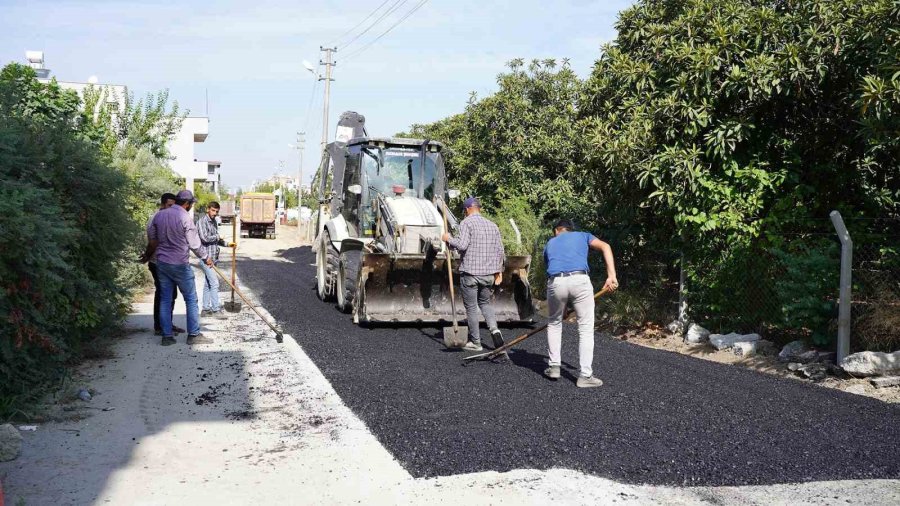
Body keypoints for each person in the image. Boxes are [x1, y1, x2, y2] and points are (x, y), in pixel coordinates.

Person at [542, 219, 618, 388]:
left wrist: (561, 309)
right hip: (580, 280)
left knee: (554, 324)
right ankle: (585, 376)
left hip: (556, 282)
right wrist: (611, 276)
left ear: (557, 231)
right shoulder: (583, 236)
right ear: (571, 229)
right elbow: (606, 246)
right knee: (585, 329)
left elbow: (549, 269)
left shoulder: (550, 243)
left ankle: (554, 367)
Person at [140, 190, 214, 346]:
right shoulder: (185, 218)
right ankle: (193, 334)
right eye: (191, 204)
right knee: (191, 299)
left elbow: (153, 240)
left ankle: (167, 336)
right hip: (179, 264)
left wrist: (147, 256)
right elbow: (194, 244)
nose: (190, 206)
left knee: (165, 299)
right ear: (187, 204)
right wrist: (206, 258)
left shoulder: (159, 216)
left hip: (162, 264)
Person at [441, 197, 506, 354]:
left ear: (468, 209)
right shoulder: (493, 226)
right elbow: (500, 251)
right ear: (479, 208)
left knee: (471, 307)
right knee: (485, 303)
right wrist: (499, 271)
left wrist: (448, 238)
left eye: (465, 211)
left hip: (470, 274)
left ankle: (476, 342)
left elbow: (462, 245)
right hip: (488, 275)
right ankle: (495, 331)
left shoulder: (466, 223)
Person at [147, 193, 184, 336]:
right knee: (164, 294)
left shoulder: (171, 218)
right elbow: (153, 242)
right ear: (162, 204)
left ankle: (167, 324)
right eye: (169, 205)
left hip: (170, 262)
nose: (171, 208)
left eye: (174, 206)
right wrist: (147, 255)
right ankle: (160, 327)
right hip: (158, 262)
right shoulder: (155, 218)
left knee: (171, 294)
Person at [197, 201, 228, 318]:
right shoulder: (201, 222)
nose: (215, 213)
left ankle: (205, 309)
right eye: (213, 210)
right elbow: (204, 238)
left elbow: (216, 239)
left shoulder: (214, 222)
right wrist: (217, 237)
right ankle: (215, 310)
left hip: (213, 258)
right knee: (214, 283)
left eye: (216, 211)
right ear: (208, 209)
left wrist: (227, 244)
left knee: (208, 284)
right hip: (205, 258)